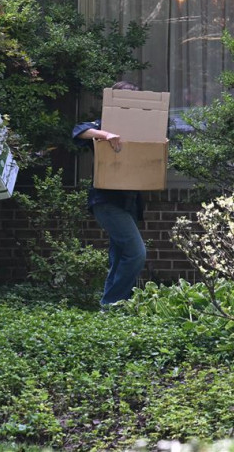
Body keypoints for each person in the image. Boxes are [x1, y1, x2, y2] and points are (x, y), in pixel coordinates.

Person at [73, 81, 147, 307]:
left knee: (119, 256)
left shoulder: (140, 128)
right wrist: (106, 135)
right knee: (136, 253)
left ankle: (111, 308)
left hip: (129, 203)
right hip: (106, 201)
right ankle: (114, 302)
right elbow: (78, 131)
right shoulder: (103, 125)